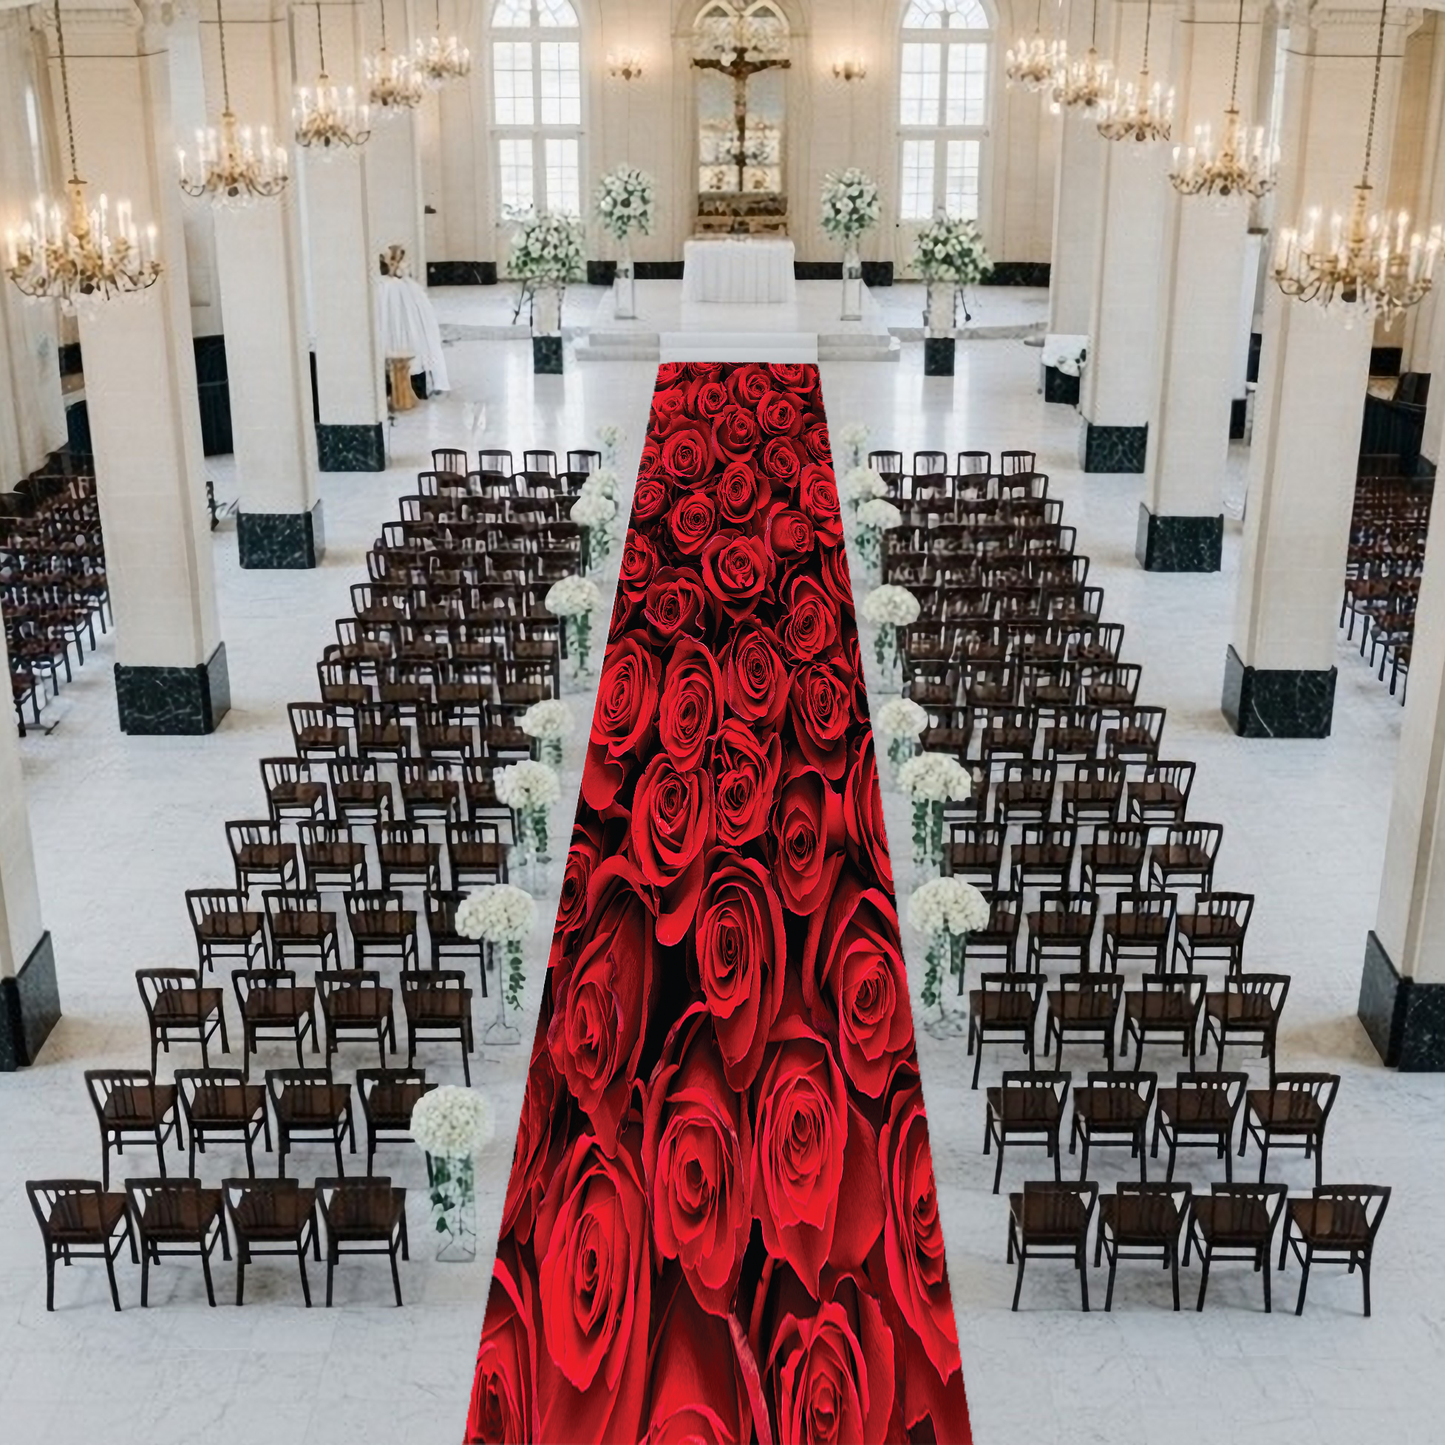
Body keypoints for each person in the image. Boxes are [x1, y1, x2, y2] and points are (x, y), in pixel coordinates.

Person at [375, 244, 450, 398]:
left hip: (403, 300)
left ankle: (409, 378)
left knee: (407, 331)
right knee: (400, 331)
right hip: (398, 297)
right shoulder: (390, 287)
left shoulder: (400, 287)